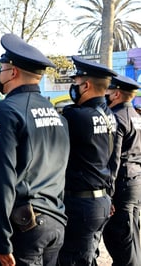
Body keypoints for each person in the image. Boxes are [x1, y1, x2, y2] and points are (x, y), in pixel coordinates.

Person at [0, 33, 70, 265]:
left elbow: (0, 179)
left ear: (13, 72)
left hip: (24, 228)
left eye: (2, 67)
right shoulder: (57, 115)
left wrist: (0, 239)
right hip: (54, 221)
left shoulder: (5, 112)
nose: (0, 73)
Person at [58, 56, 118, 265]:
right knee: (87, 256)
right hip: (100, 201)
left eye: (75, 83)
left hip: (80, 203)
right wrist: (109, 195)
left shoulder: (76, 117)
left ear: (87, 85)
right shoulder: (111, 116)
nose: (73, 87)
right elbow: (114, 160)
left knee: (72, 259)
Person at [102, 74, 141, 265]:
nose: (105, 95)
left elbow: (113, 161)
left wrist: (108, 195)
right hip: (135, 182)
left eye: (107, 91)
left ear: (116, 94)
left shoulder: (116, 118)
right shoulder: (136, 116)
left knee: (120, 240)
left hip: (121, 185)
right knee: (132, 238)